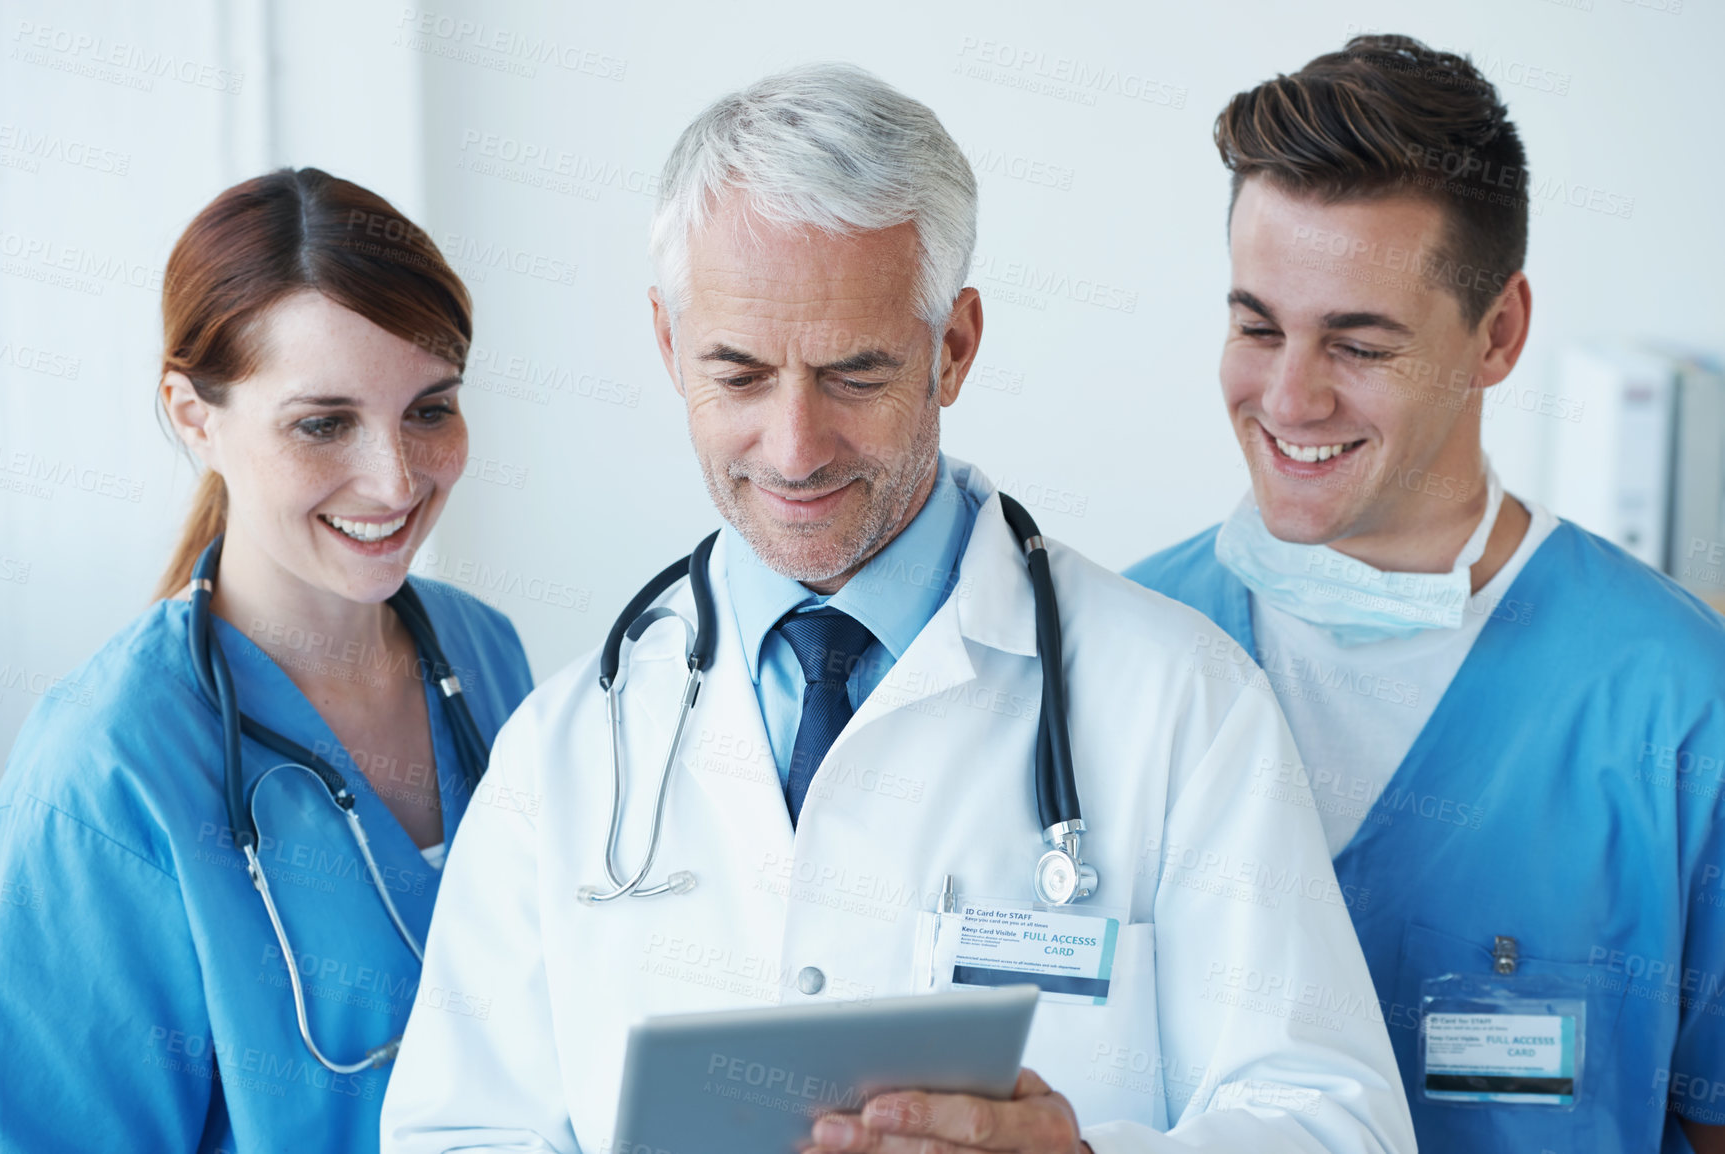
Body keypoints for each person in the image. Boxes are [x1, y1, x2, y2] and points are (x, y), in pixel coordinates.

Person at [381, 64, 1414, 1154]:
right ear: (665, 343)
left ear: (953, 348)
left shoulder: (1180, 704)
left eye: (853, 373)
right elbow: (454, 1131)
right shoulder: (566, 752)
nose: (792, 447)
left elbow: (1336, 1123)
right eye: (736, 375)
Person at [1126, 34, 1725, 1154]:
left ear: (1496, 332)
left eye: (1357, 344)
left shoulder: (1677, 707)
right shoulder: (1111, 653)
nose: (1288, 396)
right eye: (1255, 325)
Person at [0, 168, 534, 1152]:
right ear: (195, 415)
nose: (396, 477)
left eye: (429, 408)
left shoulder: (485, 655)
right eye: (322, 423)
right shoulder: (102, 772)